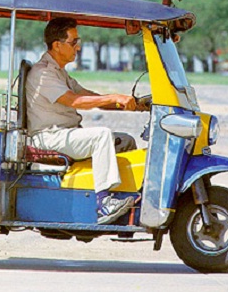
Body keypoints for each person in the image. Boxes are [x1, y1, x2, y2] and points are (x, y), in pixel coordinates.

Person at [26, 17, 150, 224]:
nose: (78, 47)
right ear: (57, 45)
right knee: (100, 136)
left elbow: (89, 96)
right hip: (48, 137)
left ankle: (128, 203)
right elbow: (76, 101)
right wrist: (114, 97)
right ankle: (103, 203)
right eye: (74, 42)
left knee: (125, 141)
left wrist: (135, 105)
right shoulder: (43, 74)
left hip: (65, 134)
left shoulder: (59, 72)